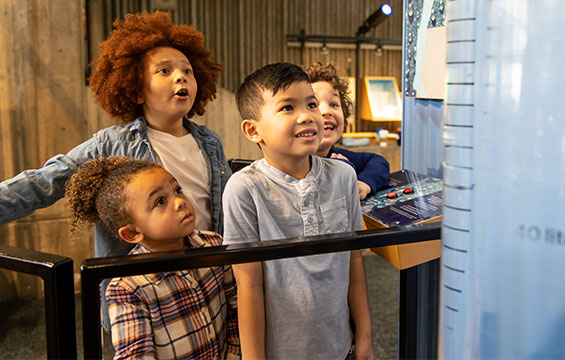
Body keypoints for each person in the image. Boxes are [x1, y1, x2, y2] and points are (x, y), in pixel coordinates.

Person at [0, 12, 230, 328]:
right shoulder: (113, 143)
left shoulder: (210, 141)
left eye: (187, 71)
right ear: (136, 90)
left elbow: (226, 209)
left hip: (203, 277)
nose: (181, 77)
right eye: (165, 71)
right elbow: (49, 179)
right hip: (141, 291)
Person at [222, 62, 374, 359]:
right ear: (253, 130)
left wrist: (365, 335)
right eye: (288, 108)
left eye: (311, 104)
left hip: (338, 346)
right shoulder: (244, 190)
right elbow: (248, 286)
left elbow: (353, 261)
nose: (307, 116)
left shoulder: (343, 176)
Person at [65, 156, 240, 359]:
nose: (180, 202)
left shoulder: (213, 245)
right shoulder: (127, 287)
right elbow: (135, 354)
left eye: (177, 190)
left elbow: (235, 310)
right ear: (132, 233)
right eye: (160, 201)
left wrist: (235, 355)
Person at [305, 62, 390, 200]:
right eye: (314, 104)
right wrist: (343, 173)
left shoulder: (338, 156)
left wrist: (363, 183)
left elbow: (378, 161)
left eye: (334, 104)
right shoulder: (294, 164)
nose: (327, 111)